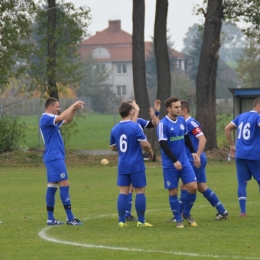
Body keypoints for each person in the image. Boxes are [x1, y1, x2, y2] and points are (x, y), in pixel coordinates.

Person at [167, 100, 228, 222]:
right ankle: (222, 210)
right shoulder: (188, 122)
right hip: (197, 158)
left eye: (179, 110)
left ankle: (180, 215)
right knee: (201, 186)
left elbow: (202, 139)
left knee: (185, 185)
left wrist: (197, 156)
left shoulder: (189, 123)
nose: (178, 112)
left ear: (184, 111)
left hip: (193, 159)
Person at [40, 97, 84, 226]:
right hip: (54, 157)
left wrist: (74, 110)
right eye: (57, 107)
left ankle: (50, 218)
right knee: (65, 184)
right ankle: (70, 218)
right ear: (50, 107)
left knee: (52, 187)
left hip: (52, 157)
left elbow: (67, 119)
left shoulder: (50, 120)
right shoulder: (46, 118)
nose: (59, 109)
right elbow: (61, 117)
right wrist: (72, 105)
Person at [157, 96, 199, 228]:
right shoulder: (163, 124)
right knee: (173, 191)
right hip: (170, 164)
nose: (179, 109)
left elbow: (186, 137)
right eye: (176, 107)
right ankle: (177, 219)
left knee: (193, 187)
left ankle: (186, 213)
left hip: (185, 161)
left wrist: (193, 152)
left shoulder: (182, 120)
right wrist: (174, 161)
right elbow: (163, 145)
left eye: (180, 107)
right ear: (169, 109)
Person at [110, 101, 154, 227]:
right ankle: (141, 220)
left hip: (122, 164)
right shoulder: (135, 127)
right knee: (140, 191)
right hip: (136, 164)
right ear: (131, 112)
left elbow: (113, 147)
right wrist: (150, 152)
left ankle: (121, 221)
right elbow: (145, 144)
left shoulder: (115, 129)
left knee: (123, 191)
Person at [124, 100, 160, 222]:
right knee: (131, 187)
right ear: (130, 111)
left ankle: (126, 214)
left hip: (133, 157)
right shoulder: (127, 124)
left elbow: (154, 124)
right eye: (133, 108)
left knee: (132, 186)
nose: (135, 111)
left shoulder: (138, 121)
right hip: (130, 157)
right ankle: (127, 214)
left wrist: (155, 114)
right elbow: (131, 127)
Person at [224, 97, 260, 217]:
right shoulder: (258, 117)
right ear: (258, 106)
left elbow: (227, 128)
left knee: (242, 182)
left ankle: (242, 211)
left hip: (240, 154)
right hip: (255, 154)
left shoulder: (241, 116)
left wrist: (232, 145)